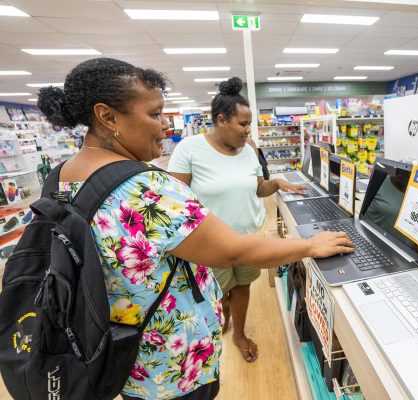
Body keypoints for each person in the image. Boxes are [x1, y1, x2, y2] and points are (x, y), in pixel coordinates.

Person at [36, 58, 353, 400]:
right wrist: (309, 246)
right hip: (169, 361)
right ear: (108, 116)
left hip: (116, 348)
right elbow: (232, 250)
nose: (164, 127)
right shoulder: (145, 187)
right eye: (155, 114)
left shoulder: (60, 175)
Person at [168, 78, 305, 363]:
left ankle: (239, 333)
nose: (248, 131)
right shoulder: (189, 149)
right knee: (216, 292)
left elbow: (258, 188)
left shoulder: (249, 149)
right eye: (243, 124)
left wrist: (277, 182)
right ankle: (219, 322)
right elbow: (175, 201)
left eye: (250, 124)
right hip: (210, 244)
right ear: (221, 120)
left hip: (247, 238)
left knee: (242, 287)